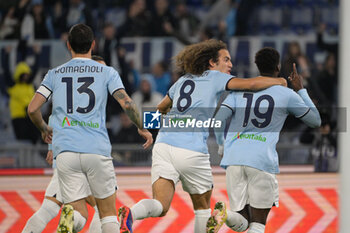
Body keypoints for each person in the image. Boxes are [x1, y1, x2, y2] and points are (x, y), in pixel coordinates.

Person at [118, 39, 287, 233]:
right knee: (203, 209)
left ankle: (131, 213)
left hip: (163, 146)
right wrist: (279, 81)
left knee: (160, 205)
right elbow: (252, 84)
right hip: (191, 150)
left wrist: (145, 129)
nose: (230, 64)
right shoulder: (215, 77)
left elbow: (161, 108)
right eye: (226, 59)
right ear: (212, 63)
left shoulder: (183, 80)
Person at [27, 24, 153, 233]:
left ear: (68, 45)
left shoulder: (54, 73)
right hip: (96, 149)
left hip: (65, 153)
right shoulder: (107, 72)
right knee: (108, 214)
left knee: (77, 212)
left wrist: (43, 128)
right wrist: (142, 127)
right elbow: (128, 104)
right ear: (93, 44)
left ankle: (71, 220)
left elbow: (32, 109)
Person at [207, 47, 321, 233]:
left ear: (257, 66)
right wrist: (301, 90)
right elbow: (315, 121)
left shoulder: (238, 92)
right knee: (258, 225)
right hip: (261, 160)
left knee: (242, 222)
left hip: (234, 160)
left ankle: (226, 215)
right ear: (277, 68)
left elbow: (218, 120)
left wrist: (221, 145)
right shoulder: (287, 95)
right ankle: (226, 215)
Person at [21, 55, 107, 233]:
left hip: (65, 159)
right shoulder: (91, 98)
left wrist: (53, 146)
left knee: (52, 209)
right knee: (103, 210)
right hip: (85, 159)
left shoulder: (73, 93)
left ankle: (69, 220)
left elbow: (54, 116)